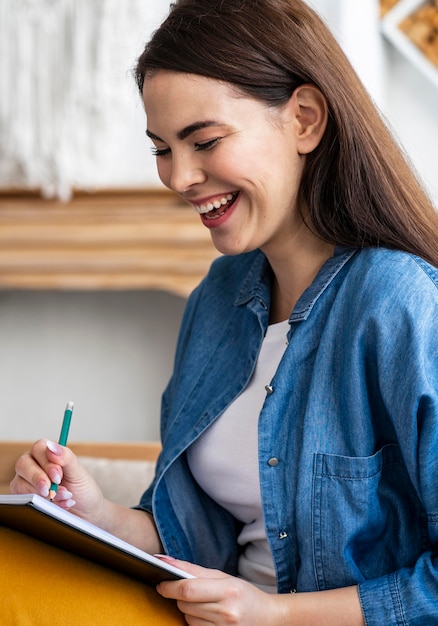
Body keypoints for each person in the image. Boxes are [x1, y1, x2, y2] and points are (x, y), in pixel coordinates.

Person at [7, 0, 438, 624]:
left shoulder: (402, 305)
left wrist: (278, 615)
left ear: (305, 121)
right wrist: (93, 515)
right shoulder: (218, 298)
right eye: (161, 149)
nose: (180, 177)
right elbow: (195, 538)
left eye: (204, 141)